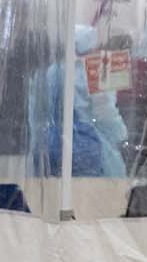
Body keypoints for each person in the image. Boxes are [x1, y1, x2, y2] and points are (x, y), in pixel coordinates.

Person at [27, 24, 128, 179]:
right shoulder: (98, 71)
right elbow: (107, 114)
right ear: (93, 46)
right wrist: (121, 134)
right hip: (94, 152)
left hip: (52, 149)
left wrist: (37, 144)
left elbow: (37, 115)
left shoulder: (52, 72)